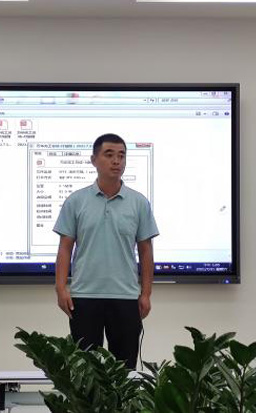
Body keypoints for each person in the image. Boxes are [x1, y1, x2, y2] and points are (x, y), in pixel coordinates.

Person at [53, 133, 159, 369]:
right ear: (94, 160)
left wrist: (146, 294)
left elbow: (146, 252)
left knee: (124, 371)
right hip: (84, 296)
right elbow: (65, 248)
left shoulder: (139, 203)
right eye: (109, 155)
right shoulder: (76, 201)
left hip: (126, 297)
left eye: (121, 156)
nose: (116, 161)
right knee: (85, 371)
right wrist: (61, 288)